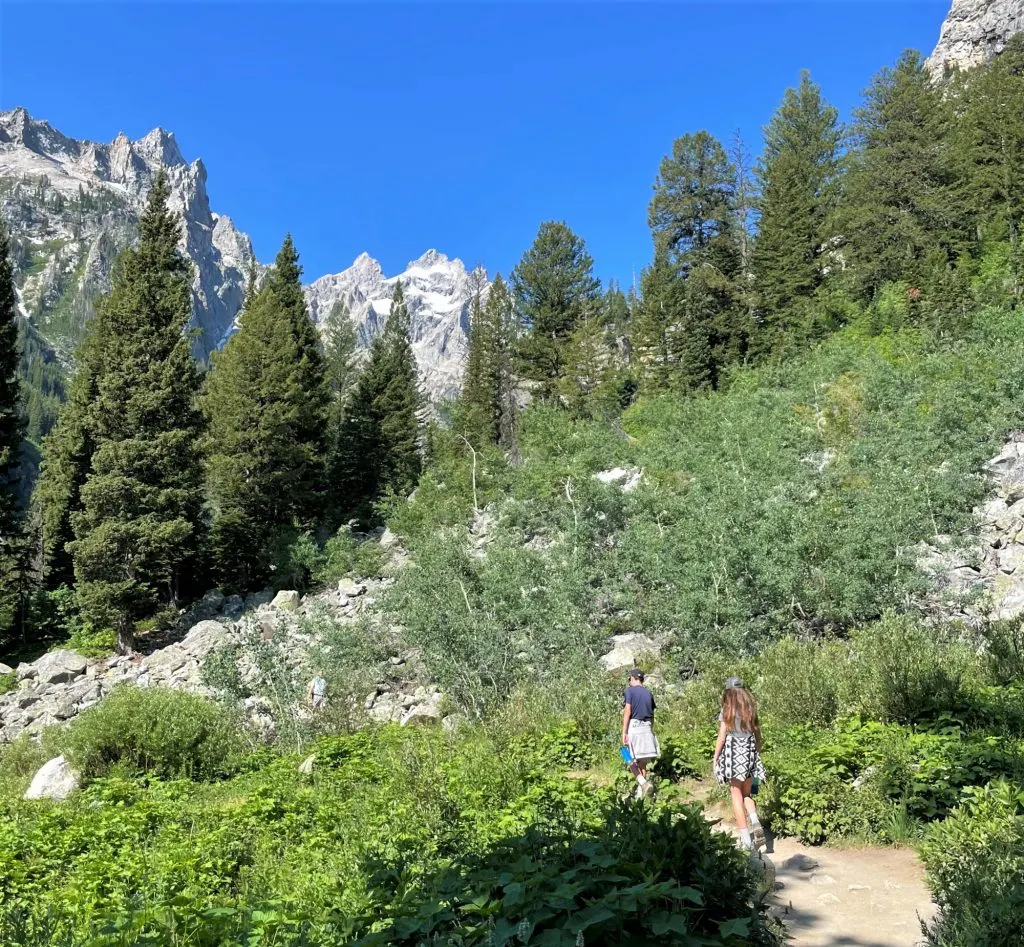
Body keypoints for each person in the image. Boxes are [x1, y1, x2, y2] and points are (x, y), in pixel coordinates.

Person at [713, 677, 767, 851]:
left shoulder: (727, 709)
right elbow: (758, 735)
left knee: (735, 796)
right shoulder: (751, 709)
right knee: (748, 794)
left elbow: (722, 737)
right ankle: (755, 821)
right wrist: (756, 752)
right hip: (750, 754)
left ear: (729, 692)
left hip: (734, 755)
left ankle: (746, 839)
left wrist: (715, 758)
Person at [621, 668, 660, 798]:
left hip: (635, 727)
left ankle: (643, 783)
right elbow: (652, 715)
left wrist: (624, 731)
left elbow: (628, 711)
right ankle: (641, 794)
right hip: (647, 728)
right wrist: (651, 730)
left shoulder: (629, 691)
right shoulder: (649, 693)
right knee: (642, 762)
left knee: (627, 757)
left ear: (632, 678)